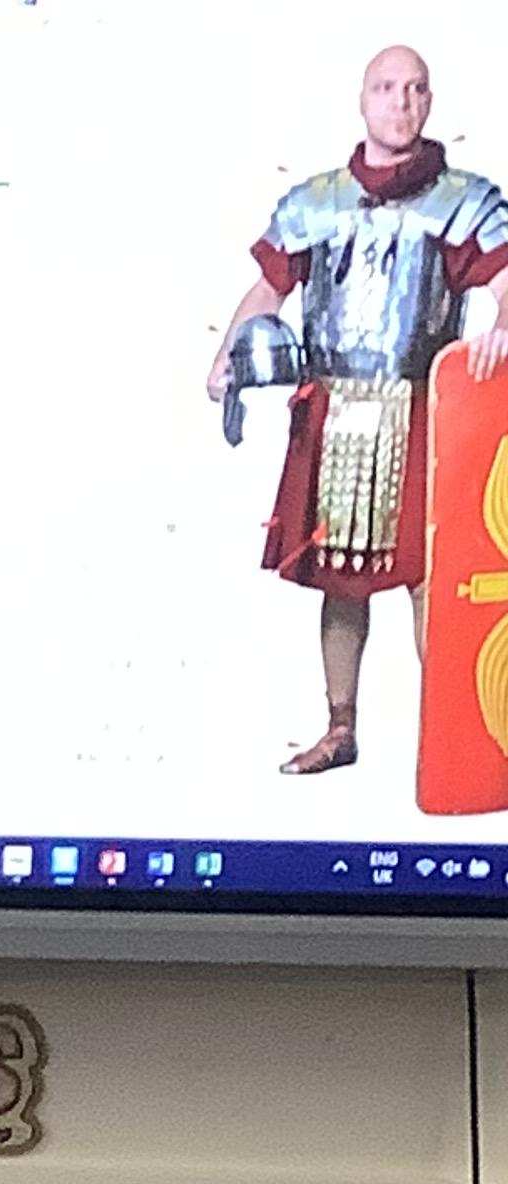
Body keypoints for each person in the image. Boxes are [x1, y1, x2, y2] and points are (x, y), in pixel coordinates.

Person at [208, 43, 508, 773]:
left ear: (430, 101)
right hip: (334, 411)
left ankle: (451, 732)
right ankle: (340, 729)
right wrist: (226, 353)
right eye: (387, 88)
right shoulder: (316, 202)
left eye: (416, 89)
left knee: (433, 575)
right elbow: (269, 288)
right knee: (341, 579)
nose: (402, 103)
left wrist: (503, 326)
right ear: (363, 99)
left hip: (424, 413)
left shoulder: (465, 200)